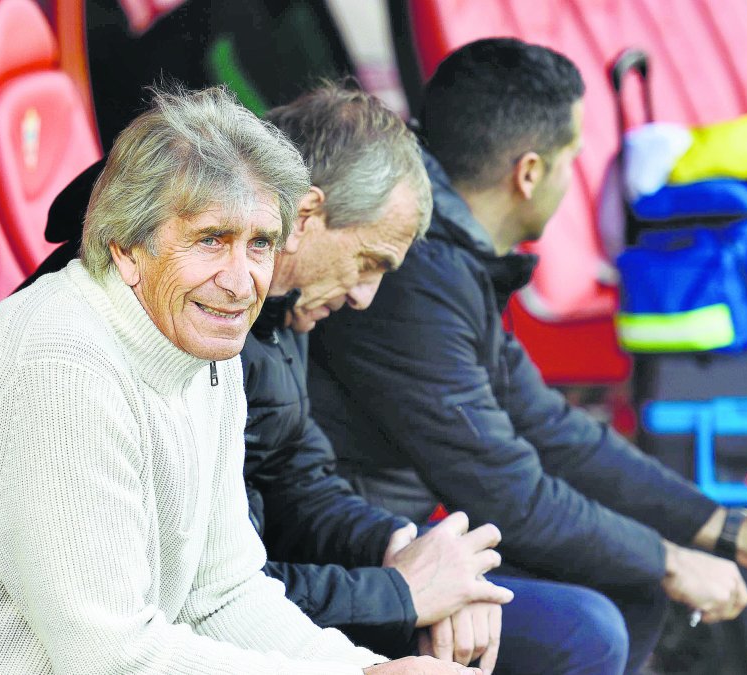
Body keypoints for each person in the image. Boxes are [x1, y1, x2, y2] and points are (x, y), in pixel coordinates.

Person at [0, 87, 477, 674]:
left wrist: (365, 668)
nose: (241, 280)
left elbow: (222, 595)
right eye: (211, 239)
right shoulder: (63, 373)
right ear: (125, 247)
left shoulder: (207, 354)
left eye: (260, 244)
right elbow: (113, 659)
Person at [307, 37, 747, 674]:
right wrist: (674, 559)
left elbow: (553, 430)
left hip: (382, 534)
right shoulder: (419, 271)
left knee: (630, 590)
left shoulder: (452, 259)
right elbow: (507, 489)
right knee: (585, 628)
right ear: (530, 172)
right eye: (573, 157)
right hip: (340, 548)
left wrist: (723, 530)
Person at [247, 84, 632, 675]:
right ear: (305, 217)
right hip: (254, 620)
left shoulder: (281, 310)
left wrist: (406, 547)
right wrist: (402, 596)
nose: (363, 296)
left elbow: (299, 479)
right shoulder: (231, 319)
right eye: (369, 262)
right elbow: (218, 592)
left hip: (295, 588)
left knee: (593, 618)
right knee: (584, 630)